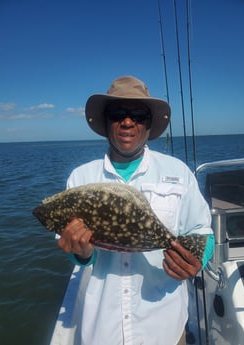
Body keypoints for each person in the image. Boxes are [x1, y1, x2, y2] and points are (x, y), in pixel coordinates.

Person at [58, 75, 214, 345]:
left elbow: (201, 231)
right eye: (117, 113)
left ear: (149, 123)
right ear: (107, 122)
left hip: (164, 325)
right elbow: (77, 252)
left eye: (138, 114)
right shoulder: (80, 179)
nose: (127, 121)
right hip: (101, 330)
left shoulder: (178, 172)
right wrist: (82, 254)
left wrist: (196, 261)